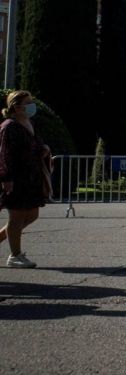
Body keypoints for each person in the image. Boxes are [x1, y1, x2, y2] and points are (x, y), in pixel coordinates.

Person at [0, 91, 52, 268]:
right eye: (27, 102)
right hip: (16, 178)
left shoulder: (30, 123)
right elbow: (5, 154)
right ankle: (15, 255)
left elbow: (35, 145)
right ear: (16, 107)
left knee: (32, 214)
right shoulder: (9, 127)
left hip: (32, 177)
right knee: (16, 217)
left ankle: (10, 245)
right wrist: (6, 177)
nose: (32, 106)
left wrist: (43, 149)